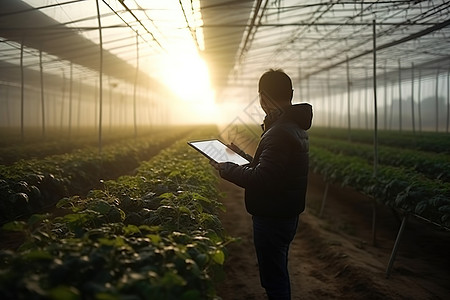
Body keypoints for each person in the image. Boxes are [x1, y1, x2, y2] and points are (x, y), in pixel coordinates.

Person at [211, 69, 313, 300]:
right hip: (285, 212)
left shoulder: (278, 132)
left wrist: (227, 168)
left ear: (263, 97)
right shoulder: (293, 127)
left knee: (274, 280)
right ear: (291, 93)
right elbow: (272, 169)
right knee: (278, 269)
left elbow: (263, 179)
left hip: (273, 216)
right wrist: (239, 156)